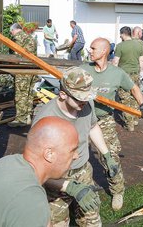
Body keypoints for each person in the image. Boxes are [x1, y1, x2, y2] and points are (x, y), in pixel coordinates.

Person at [33, 66, 117, 227]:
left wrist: (107, 155)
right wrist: (69, 187)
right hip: (56, 180)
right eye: (79, 98)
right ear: (63, 94)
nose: (84, 101)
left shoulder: (85, 103)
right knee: (57, 223)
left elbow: (92, 126)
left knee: (91, 220)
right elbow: (37, 169)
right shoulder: (46, 121)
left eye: (87, 97)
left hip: (83, 171)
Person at [83, 37, 143, 211]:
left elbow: (134, 88)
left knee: (110, 158)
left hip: (104, 120)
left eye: (93, 48)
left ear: (104, 51)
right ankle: (80, 189)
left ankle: (117, 190)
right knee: (75, 157)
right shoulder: (83, 70)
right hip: (82, 118)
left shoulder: (116, 73)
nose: (90, 51)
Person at [112, 26, 143, 131]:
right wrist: (140, 73)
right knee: (135, 96)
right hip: (135, 74)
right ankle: (135, 119)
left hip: (124, 75)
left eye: (120, 35)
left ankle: (129, 124)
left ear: (122, 34)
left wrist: (113, 74)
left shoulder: (120, 46)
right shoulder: (139, 45)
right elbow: (141, 62)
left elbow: (115, 62)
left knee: (125, 98)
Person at [9, 22, 38, 127]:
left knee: (21, 95)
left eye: (11, 32)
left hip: (22, 70)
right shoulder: (31, 38)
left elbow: (14, 56)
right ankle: (28, 116)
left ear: (13, 30)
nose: (11, 34)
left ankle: (20, 120)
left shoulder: (17, 38)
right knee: (29, 93)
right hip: (32, 70)